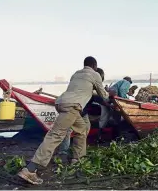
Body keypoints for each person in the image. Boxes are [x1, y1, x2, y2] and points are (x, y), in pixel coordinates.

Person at [17, 56, 110, 185]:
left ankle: (77, 160)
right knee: (55, 135)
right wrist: (111, 93)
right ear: (94, 66)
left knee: (82, 129)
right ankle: (30, 170)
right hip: (73, 106)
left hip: (62, 103)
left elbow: (79, 89)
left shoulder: (76, 74)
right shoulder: (95, 74)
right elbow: (104, 95)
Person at [58, 68, 109, 158]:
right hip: (75, 109)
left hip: (83, 111)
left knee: (86, 126)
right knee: (68, 130)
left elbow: (101, 99)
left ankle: (78, 149)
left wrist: (108, 102)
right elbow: (102, 97)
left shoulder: (92, 84)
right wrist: (108, 96)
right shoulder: (89, 86)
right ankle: (63, 152)